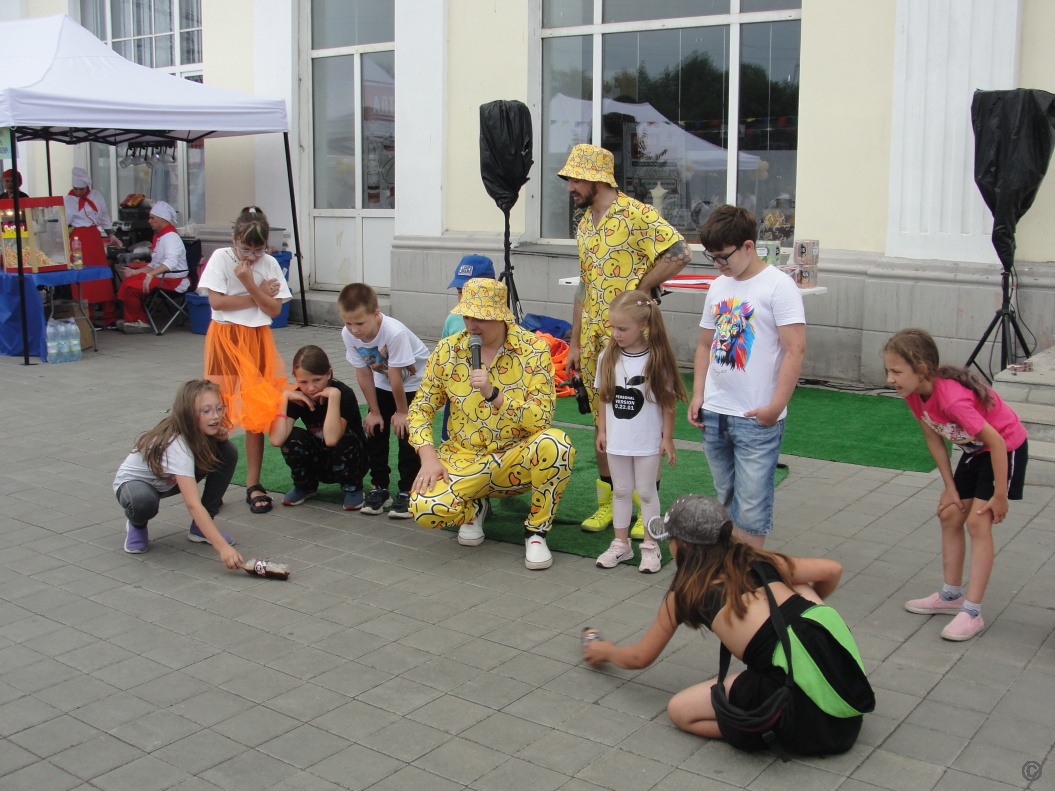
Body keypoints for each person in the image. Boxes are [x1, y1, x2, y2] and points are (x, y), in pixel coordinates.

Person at [583, 495, 873, 755]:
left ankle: (769, 727)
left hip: (806, 717)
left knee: (680, 711)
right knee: (799, 586)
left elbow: (639, 657)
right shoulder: (757, 558)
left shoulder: (685, 594)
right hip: (843, 683)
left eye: (670, 539)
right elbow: (832, 569)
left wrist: (605, 651)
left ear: (682, 545)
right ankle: (794, 651)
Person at [559, 143, 693, 536]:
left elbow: (680, 251)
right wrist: (576, 342)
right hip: (597, 344)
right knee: (605, 418)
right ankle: (609, 503)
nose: (570, 187)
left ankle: (645, 507)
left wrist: (641, 288)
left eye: (575, 179)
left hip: (636, 338)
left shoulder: (636, 214)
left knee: (643, 413)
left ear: (597, 177)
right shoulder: (584, 225)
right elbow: (584, 285)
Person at [408, 278, 576, 570]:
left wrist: (495, 396)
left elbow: (542, 418)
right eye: (467, 316)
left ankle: (536, 532)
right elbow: (420, 409)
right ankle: (474, 506)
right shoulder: (447, 351)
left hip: (514, 457)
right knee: (424, 509)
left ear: (500, 315)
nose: (472, 325)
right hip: (464, 458)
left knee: (556, 444)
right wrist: (428, 457)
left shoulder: (534, 349)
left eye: (481, 317)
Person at [884, 328, 1029, 641]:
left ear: (921, 370)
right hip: (975, 451)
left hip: (1004, 448)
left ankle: (973, 612)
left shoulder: (952, 399)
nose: (889, 379)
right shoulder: (914, 394)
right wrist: (949, 487)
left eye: (896, 371)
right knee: (950, 514)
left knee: (978, 524)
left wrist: (1000, 495)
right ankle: (952, 597)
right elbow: (933, 437)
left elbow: (998, 442)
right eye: (888, 371)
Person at [688, 205, 805, 549]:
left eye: (723, 257)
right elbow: (704, 345)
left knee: (752, 506)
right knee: (726, 497)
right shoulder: (719, 286)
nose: (718, 265)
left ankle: (746, 578)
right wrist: (698, 395)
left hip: (756, 416)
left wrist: (775, 407)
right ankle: (731, 569)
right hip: (715, 411)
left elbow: (795, 350)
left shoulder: (778, 286)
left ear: (748, 246)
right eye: (712, 257)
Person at [198, 205, 290, 515]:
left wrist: (251, 284)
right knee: (216, 409)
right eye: (244, 248)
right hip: (224, 337)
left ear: (267, 245)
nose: (250, 256)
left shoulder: (269, 264)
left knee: (256, 412)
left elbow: (275, 310)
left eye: (258, 249)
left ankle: (253, 483)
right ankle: (214, 484)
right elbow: (217, 301)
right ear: (234, 238)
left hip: (257, 340)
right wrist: (257, 294)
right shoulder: (222, 258)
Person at [594, 290, 687, 573]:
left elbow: (668, 402)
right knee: (621, 490)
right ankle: (621, 545)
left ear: (643, 325)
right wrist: (602, 431)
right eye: (613, 327)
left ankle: (651, 546)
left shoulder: (657, 359)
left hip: (646, 440)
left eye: (622, 328)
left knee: (647, 492)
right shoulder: (606, 357)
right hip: (617, 440)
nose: (616, 333)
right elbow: (603, 397)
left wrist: (667, 438)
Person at [113, 379, 242, 567]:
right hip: (135, 484)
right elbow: (192, 504)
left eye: (218, 408)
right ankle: (137, 524)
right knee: (143, 503)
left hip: (167, 481)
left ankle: (201, 528)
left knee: (227, 451)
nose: (215, 416)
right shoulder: (177, 445)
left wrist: (220, 439)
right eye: (206, 411)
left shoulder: (198, 429)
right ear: (188, 414)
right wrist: (223, 548)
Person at [339, 282, 430, 518]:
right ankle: (379, 487)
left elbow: (396, 376)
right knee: (375, 430)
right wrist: (374, 411)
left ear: (376, 313)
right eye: (348, 323)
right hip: (384, 379)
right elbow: (363, 372)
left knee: (406, 433)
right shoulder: (348, 334)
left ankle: (408, 490)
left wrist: (402, 413)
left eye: (360, 323)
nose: (354, 329)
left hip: (413, 382)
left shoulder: (393, 332)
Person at [270, 345, 370, 511]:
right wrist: (284, 398)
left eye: (317, 380)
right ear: (295, 378)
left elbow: (331, 439)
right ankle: (305, 485)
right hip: (322, 463)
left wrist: (333, 397)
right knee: (291, 435)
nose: (310, 388)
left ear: (329, 373)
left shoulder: (343, 394)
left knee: (341, 436)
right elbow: (276, 439)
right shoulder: (297, 396)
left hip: (353, 461)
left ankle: (353, 487)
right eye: (303, 382)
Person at [441, 254, 496, 442]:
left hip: (490, 399)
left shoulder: (499, 323)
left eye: (470, 290)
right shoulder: (452, 320)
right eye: (460, 291)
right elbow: (443, 362)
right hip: (458, 398)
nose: (464, 298)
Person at [115, 201, 189, 333]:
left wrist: (150, 275)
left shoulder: (171, 238)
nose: (149, 221)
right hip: (162, 277)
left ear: (162, 219)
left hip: (172, 280)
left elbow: (170, 263)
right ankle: (132, 320)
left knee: (132, 287)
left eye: (152, 218)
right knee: (128, 281)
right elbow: (154, 265)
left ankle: (139, 321)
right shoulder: (162, 237)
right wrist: (133, 272)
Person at [64, 167, 123, 330]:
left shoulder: (96, 196)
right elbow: (64, 222)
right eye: (75, 189)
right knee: (83, 279)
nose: (78, 192)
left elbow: (103, 216)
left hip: (94, 237)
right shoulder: (68, 200)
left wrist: (111, 234)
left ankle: (109, 317)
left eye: (81, 189)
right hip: (78, 238)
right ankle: (87, 318)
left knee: (102, 277)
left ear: (87, 187)